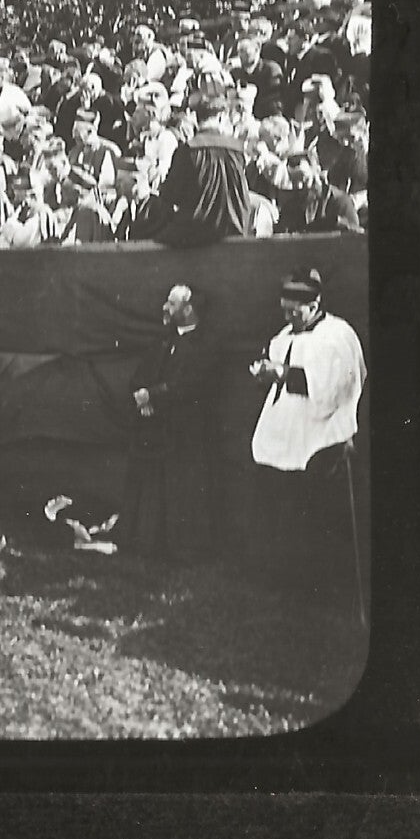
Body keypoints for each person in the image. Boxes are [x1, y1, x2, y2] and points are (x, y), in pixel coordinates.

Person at [249, 268, 368, 607]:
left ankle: (318, 587)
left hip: (322, 435)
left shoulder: (336, 336)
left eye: (294, 311)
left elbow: (333, 388)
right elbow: (277, 367)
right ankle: (284, 580)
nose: (288, 317)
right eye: (284, 310)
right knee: (282, 507)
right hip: (286, 433)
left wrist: (283, 374)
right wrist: (264, 373)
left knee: (316, 516)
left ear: (314, 304)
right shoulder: (286, 334)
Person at [119, 283, 216, 561]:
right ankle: (147, 543)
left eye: (171, 304)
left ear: (188, 309)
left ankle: (184, 550)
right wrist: (143, 397)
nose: (164, 308)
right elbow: (141, 375)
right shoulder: (163, 341)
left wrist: (153, 396)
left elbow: (190, 385)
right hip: (155, 429)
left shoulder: (204, 344)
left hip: (186, 432)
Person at [142, 88, 253, 246]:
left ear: (196, 118)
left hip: (197, 231)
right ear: (222, 117)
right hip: (233, 228)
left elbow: (171, 195)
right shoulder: (237, 150)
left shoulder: (188, 150)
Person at [277, 151, 363, 234]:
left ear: (317, 170)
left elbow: (355, 235)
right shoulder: (289, 208)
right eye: (293, 181)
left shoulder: (339, 202)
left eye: (304, 178)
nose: (299, 186)